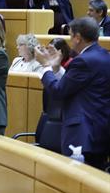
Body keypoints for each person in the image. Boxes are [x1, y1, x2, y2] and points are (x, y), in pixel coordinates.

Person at [35, 17, 110, 170]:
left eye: (70, 36)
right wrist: (55, 69)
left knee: (77, 184)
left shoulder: (83, 61)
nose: (70, 40)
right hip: (100, 131)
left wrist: (45, 66)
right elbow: (74, 86)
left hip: (83, 134)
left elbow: (58, 91)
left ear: (77, 37)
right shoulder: (104, 56)